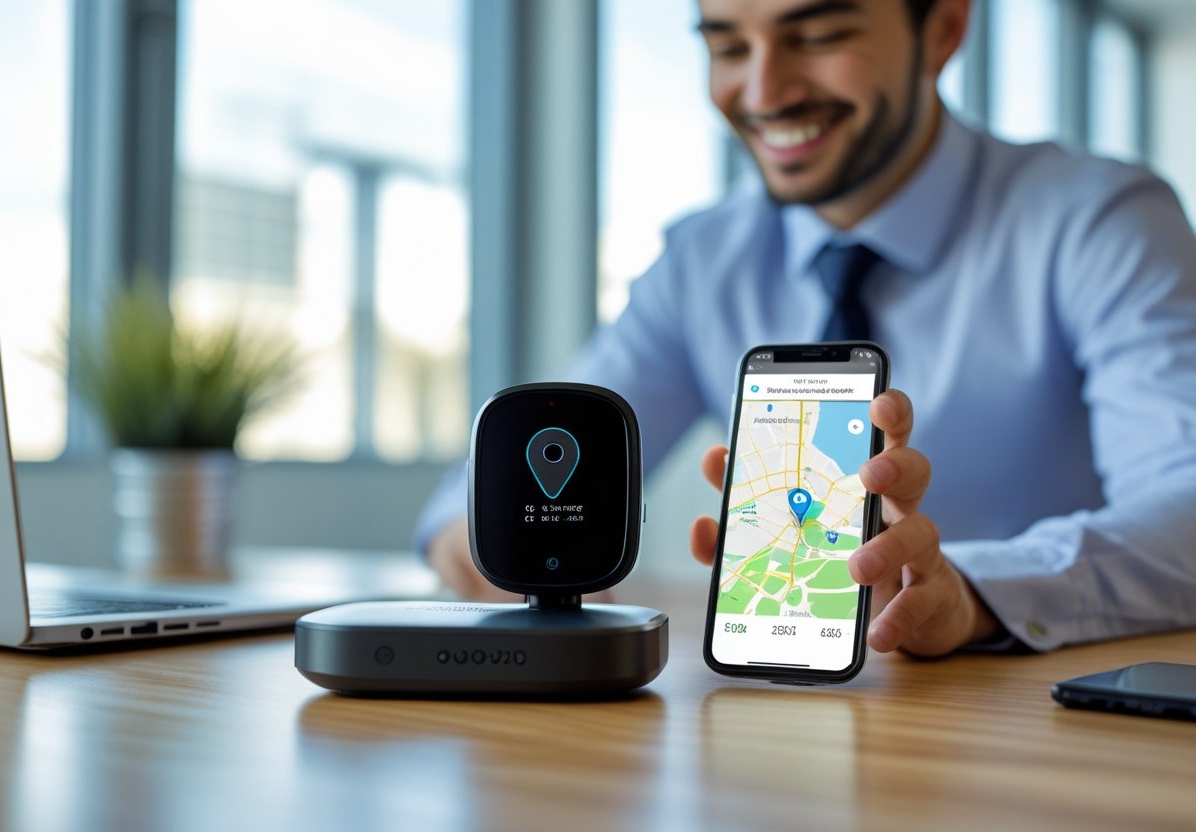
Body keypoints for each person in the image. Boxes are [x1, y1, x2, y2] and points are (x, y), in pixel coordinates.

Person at [415, 0, 1196, 656]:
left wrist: (974, 593)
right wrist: (511, 565)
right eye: (726, 46)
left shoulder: (1101, 221)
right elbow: (478, 492)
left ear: (945, 29)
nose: (764, 90)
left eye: (818, 36)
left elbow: (1187, 505)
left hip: (1030, 728)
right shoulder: (702, 258)